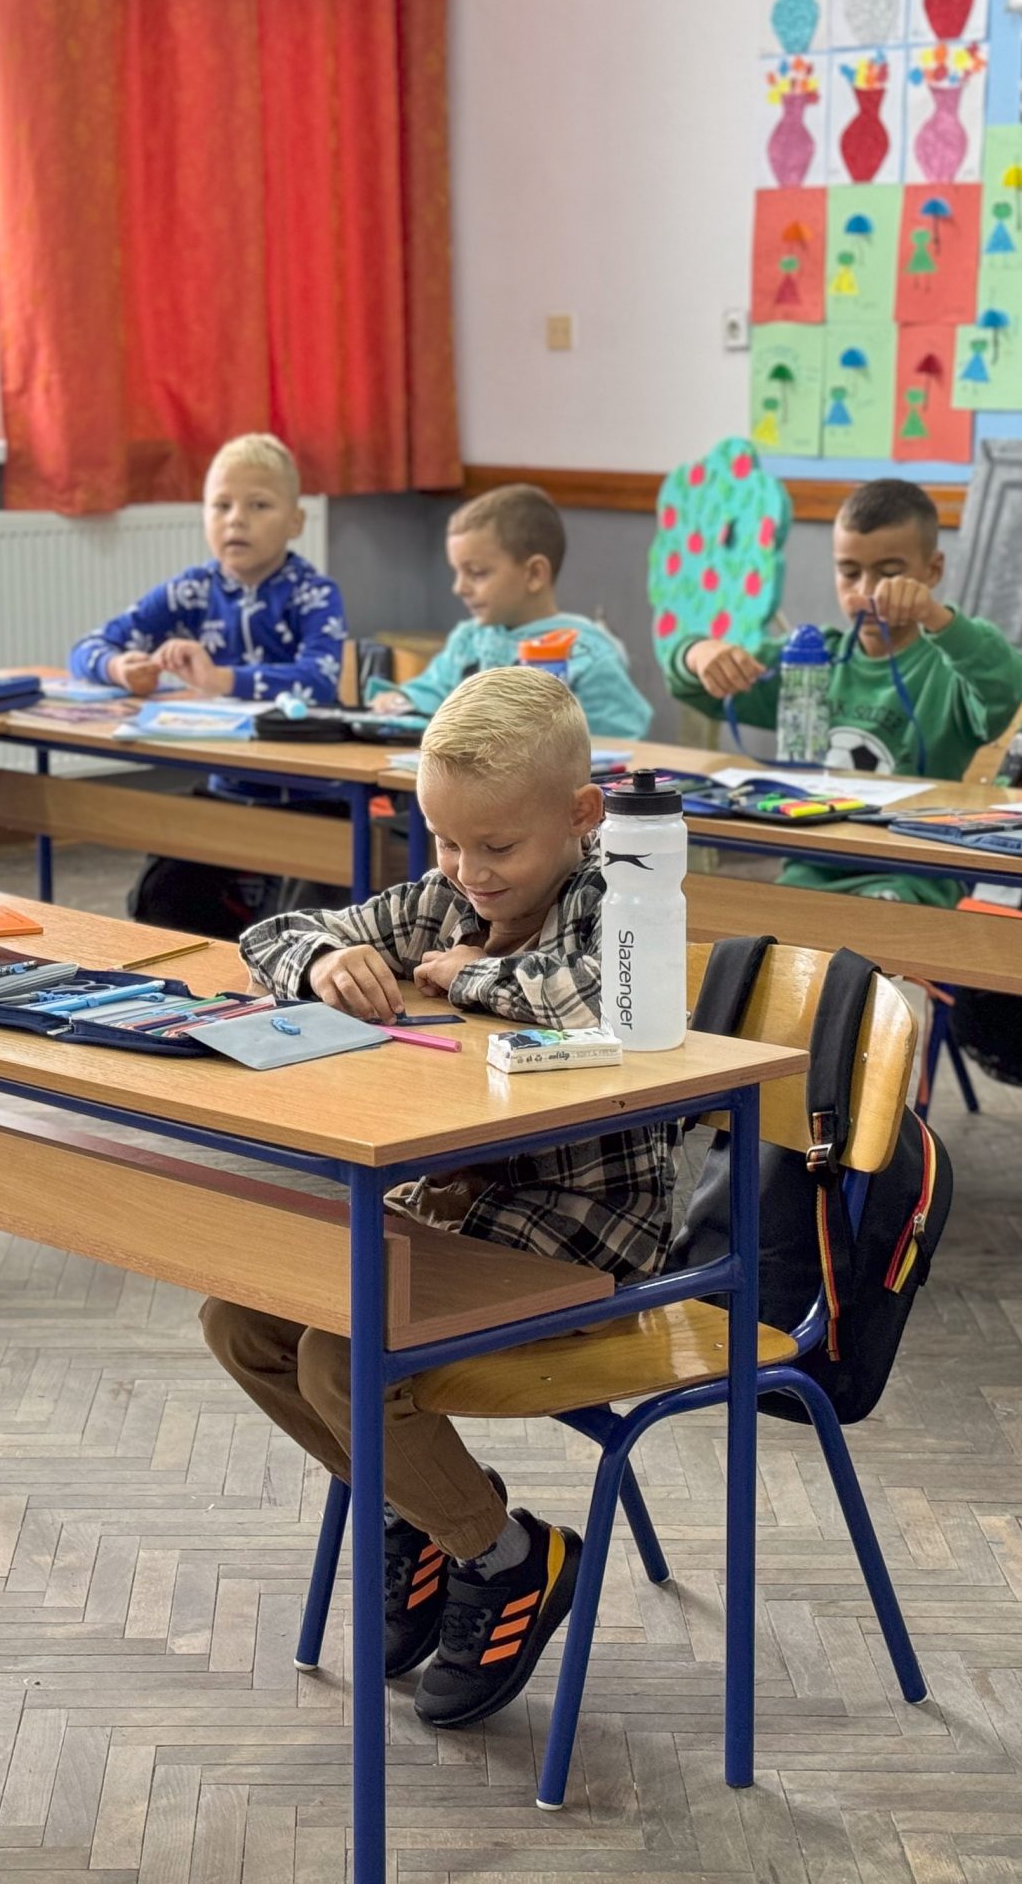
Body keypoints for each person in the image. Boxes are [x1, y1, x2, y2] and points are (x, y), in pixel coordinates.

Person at [211, 667, 676, 1731]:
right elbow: (269, 938)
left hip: (585, 1244)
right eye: (445, 841)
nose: (468, 872)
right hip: (460, 1218)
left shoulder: (620, 896)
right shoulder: (446, 898)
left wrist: (460, 975)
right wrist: (326, 963)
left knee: (342, 1359)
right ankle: (424, 1515)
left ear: (582, 816)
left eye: (496, 846)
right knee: (239, 1319)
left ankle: (506, 1559)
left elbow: (589, 996)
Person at [664, 477, 1022, 904]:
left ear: (932, 570)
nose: (866, 592)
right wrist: (699, 654)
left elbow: (1006, 683)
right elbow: (694, 688)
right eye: (849, 572)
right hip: (810, 869)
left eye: (890, 574)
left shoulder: (948, 669)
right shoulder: (811, 659)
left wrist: (936, 616)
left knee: (872, 926)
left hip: (914, 876)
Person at [66, 433, 348, 938]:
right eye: (221, 505)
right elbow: (88, 646)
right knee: (160, 898)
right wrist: (119, 668)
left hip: (311, 796)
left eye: (258, 505)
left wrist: (223, 680)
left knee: (306, 927)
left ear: (295, 521)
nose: (236, 519)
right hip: (228, 790)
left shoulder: (314, 594)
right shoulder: (192, 590)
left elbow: (319, 682)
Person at [368, 483, 652, 739]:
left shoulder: (586, 653)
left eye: (477, 573)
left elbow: (620, 734)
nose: (459, 588)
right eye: (457, 573)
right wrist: (401, 700)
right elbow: (431, 691)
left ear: (534, 574)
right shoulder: (468, 641)